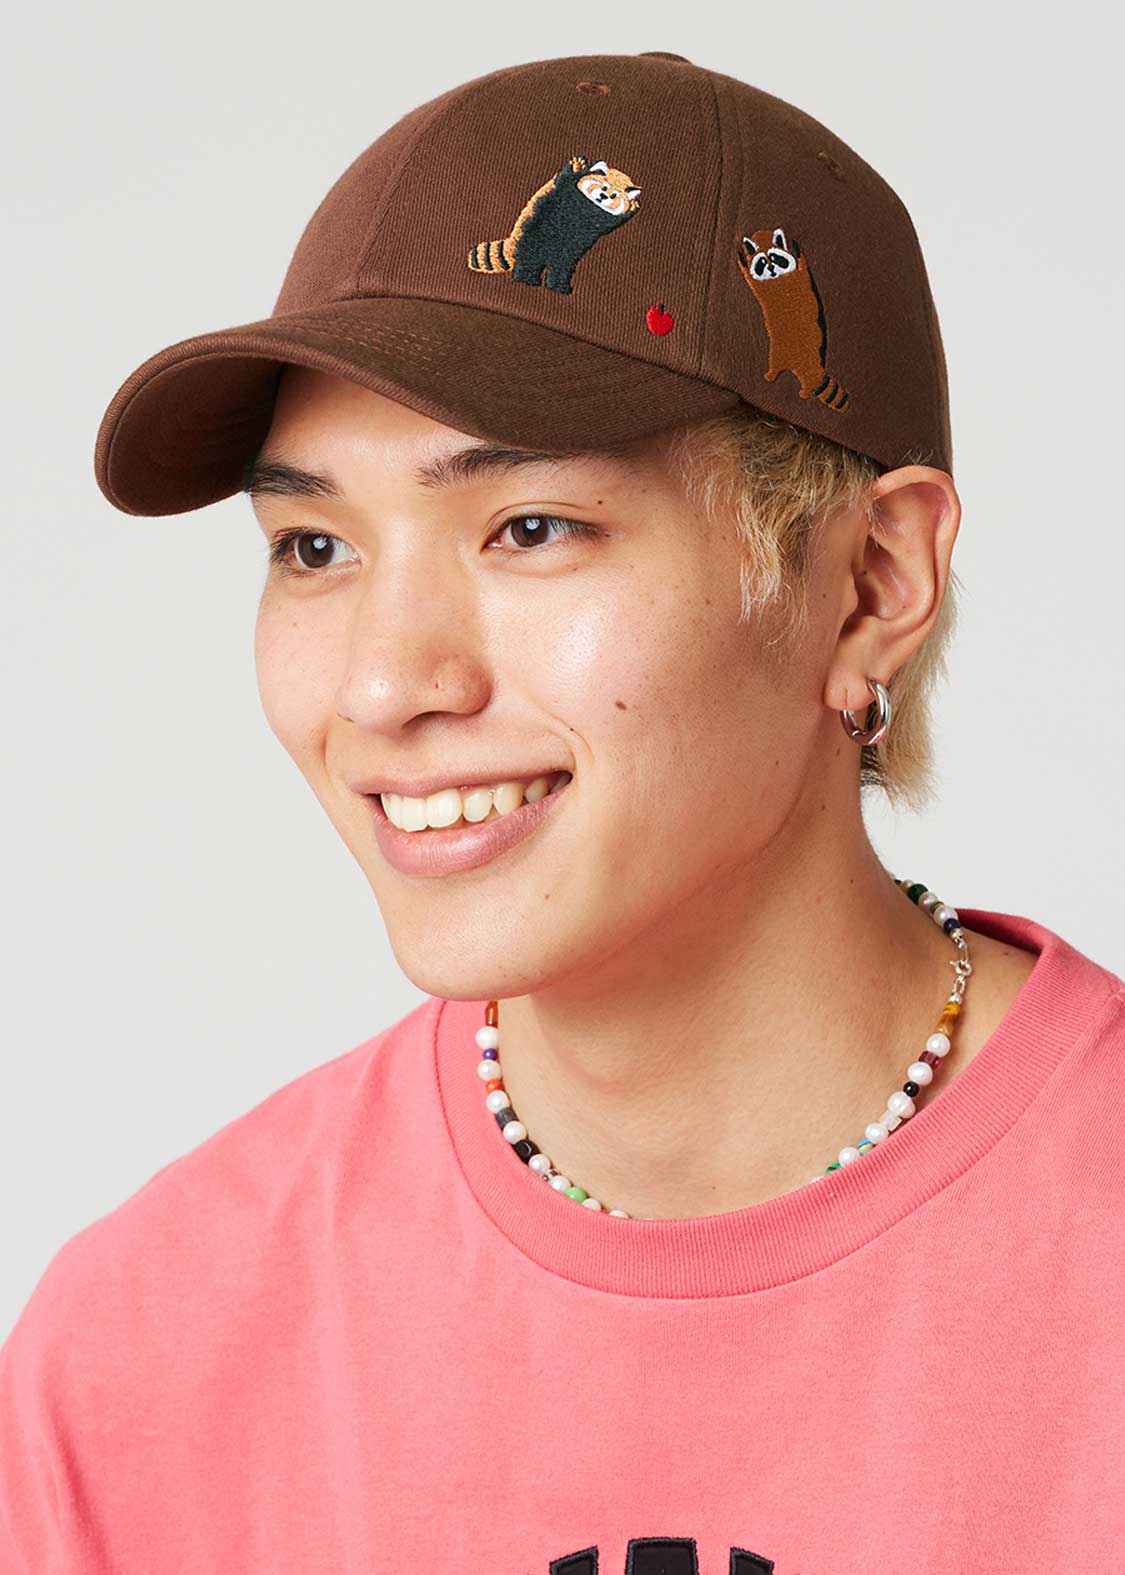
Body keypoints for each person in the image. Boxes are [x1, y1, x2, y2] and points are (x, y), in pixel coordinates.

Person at [2, 49, 1122, 1575]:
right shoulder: (144, 1356)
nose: (384, 685)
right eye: (313, 548)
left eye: (531, 528)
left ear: (868, 583)